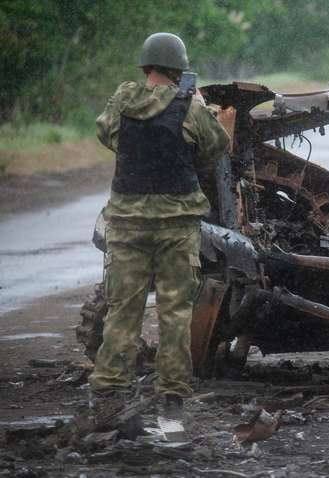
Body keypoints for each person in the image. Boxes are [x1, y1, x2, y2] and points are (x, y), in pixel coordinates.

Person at [88, 32, 230, 418]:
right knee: (175, 311)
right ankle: (171, 397)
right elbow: (217, 147)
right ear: (179, 69)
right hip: (176, 224)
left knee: (123, 308)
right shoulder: (190, 105)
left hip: (128, 221)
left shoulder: (122, 100)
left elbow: (107, 133)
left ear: (147, 66)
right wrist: (201, 108)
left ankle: (109, 394)